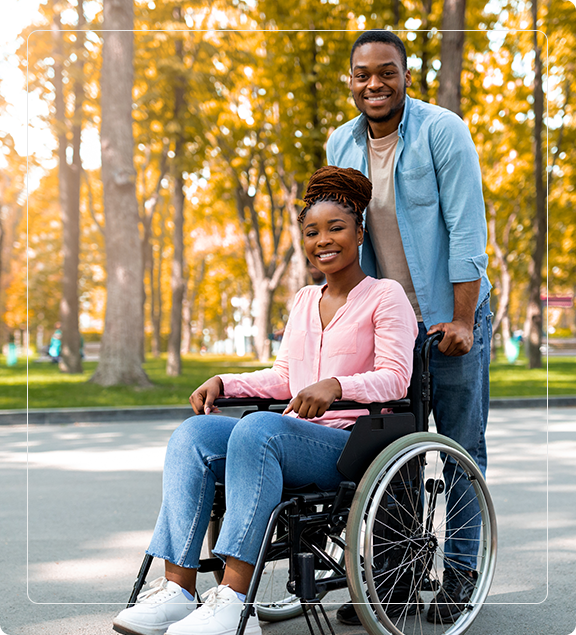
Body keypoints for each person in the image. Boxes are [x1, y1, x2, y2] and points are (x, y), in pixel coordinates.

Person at [112, 166, 418, 635]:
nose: (323, 240)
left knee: (258, 430)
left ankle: (235, 599)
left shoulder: (384, 295)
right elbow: (283, 378)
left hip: (347, 444)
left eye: (336, 228)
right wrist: (225, 382)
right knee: (193, 434)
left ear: (359, 233)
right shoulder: (301, 301)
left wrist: (336, 385)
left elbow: (396, 379)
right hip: (286, 435)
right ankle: (179, 590)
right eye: (312, 232)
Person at [327, 30, 492, 625]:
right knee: (388, 451)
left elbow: (467, 231)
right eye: (363, 74)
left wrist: (465, 320)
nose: (375, 83)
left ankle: (462, 576)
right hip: (388, 322)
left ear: (405, 76)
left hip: (452, 314)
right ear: (351, 80)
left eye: (386, 72)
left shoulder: (442, 131)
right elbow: (337, 239)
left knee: (459, 450)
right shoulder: (340, 142)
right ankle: (389, 585)